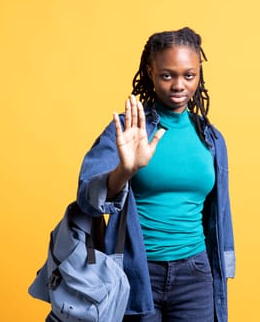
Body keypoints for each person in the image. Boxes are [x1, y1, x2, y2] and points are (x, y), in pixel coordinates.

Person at [76, 27, 235, 322]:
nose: (179, 85)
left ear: (199, 75)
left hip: (196, 273)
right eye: (167, 75)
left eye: (189, 75)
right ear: (150, 72)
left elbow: (217, 215)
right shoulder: (127, 131)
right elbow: (87, 198)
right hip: (138, 272)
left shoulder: (210, 138)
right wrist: (125, 170)